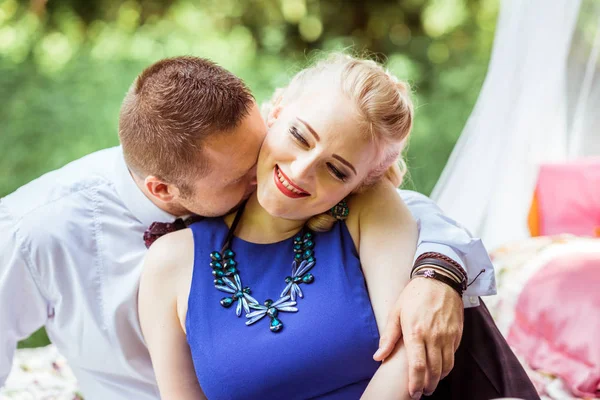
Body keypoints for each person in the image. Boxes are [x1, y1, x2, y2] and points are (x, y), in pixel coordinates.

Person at [0, 55, 495, 400]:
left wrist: (438, 271)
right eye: (245, 177)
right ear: (164, 192)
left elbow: (400, 205)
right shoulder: (36, 231)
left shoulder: (259, 148)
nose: (287, 176)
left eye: (263, 144)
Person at [139, 54, 538, 399]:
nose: (301, 171)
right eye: (299, 135)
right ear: (275, 112)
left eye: (336, 169)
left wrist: (440, 273)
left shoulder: (370, 210)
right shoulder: (170, 262)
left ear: (361, 183)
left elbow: (406, 360)